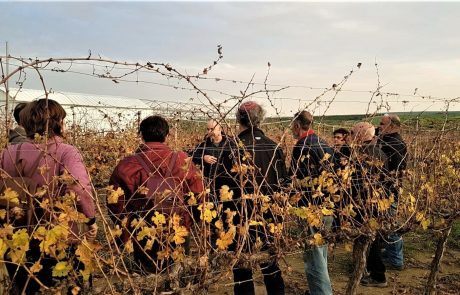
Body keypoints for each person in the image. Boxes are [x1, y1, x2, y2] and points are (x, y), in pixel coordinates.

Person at [1, 99, 97, 294]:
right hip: (58, 238)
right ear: (58, 122)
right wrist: (90, 218)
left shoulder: (7, 153)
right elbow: (78, 188)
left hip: (16, 238)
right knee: (64, 287)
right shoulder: (66, 152)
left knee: (25, 289)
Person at [108, 115, 204, 273]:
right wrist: (187, 223)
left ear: (141, 136)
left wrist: (127, 230)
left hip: (144, 232)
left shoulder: (127, 164)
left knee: (148, 278)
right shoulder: (182, 159)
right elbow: (198, 194)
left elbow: (115, 203)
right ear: (167, 136)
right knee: (177, 277)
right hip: (177, 228)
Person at [231, 101, 286, 295]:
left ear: (239, 119)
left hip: (240, 217)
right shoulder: (275, 147)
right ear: (260, 118)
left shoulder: (233, 148)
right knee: (271, 266)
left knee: (242, 270)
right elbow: (283, 184)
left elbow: (225, 187)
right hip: (269, 216)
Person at [290, 110, 334, 295]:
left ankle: (322, 292)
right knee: (320, 253)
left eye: (292, 125)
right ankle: (319, 290)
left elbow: (299, 180)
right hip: (327, 205)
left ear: (297, 125)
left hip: (310, 208)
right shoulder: (324, 143)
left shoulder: (302, 147)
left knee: (314, 258)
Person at [349, 122, 389, 288]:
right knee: (372, 240)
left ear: (360, 134)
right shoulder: (381, 153)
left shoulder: (358, 155)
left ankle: (378, 276)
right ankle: (366, 270)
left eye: (352, 133)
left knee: (366, 240)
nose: (350, 136)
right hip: (377, 203)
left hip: (362, 204)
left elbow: (353, 184)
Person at [378, 114, 407, 270]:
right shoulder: (391, 140)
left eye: (382, 124)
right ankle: (391, 253)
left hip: (389, 190)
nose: (379, 127)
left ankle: (396, 260)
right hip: (389, 189)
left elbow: (392, 171)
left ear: (392, 126)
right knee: (387, 223)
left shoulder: (393, 144)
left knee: (391, 225)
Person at [190, 119, 237, 199]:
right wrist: (203, 157)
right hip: (209, 184)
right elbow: (191, 155)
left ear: (220, 129)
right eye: (208, 129)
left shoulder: (230, 143)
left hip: (227, 185)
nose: (209, 132)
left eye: (212, 129)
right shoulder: (204, 144)